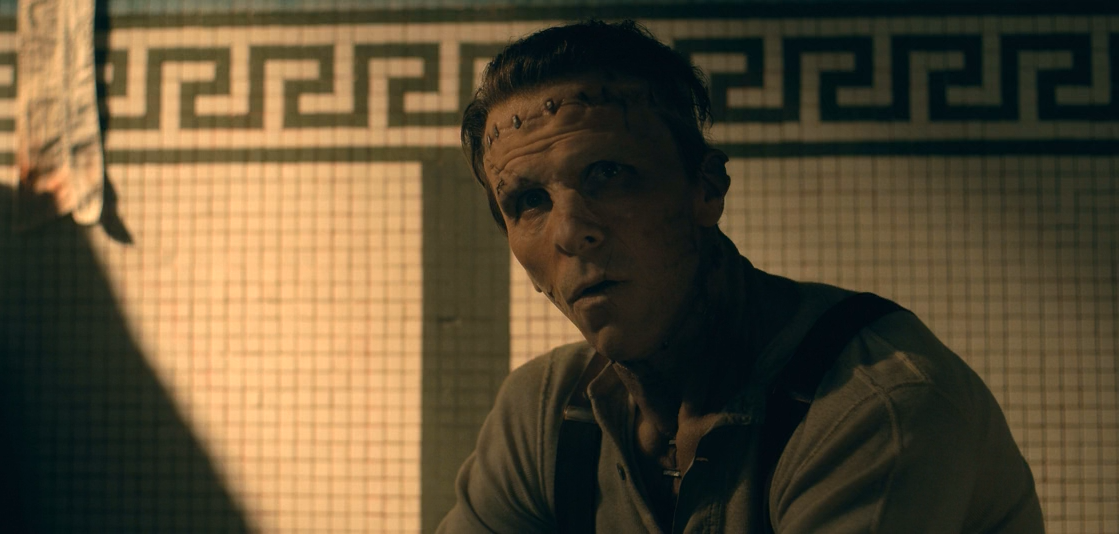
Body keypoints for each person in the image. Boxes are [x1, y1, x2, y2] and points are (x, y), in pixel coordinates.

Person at [437, 20, 1044, 533]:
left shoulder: (871, 406)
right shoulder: (547, 415)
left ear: (706, 188)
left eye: (609, 174)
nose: (570, 232)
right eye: (528, 202)